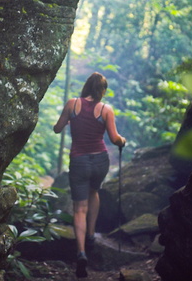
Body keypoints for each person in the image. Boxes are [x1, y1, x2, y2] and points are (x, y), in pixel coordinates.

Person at [53, 72, 126, 278]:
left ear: (86, 86)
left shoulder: (72, 104)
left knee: (79, 208)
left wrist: (64, 123)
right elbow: (114, 139)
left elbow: (57, 129)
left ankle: (81, 252)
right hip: (100, 160)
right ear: (102, 91)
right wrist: (123, 140)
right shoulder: (106, 109)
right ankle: (92, 234)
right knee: (94, 192)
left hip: (79, 161)